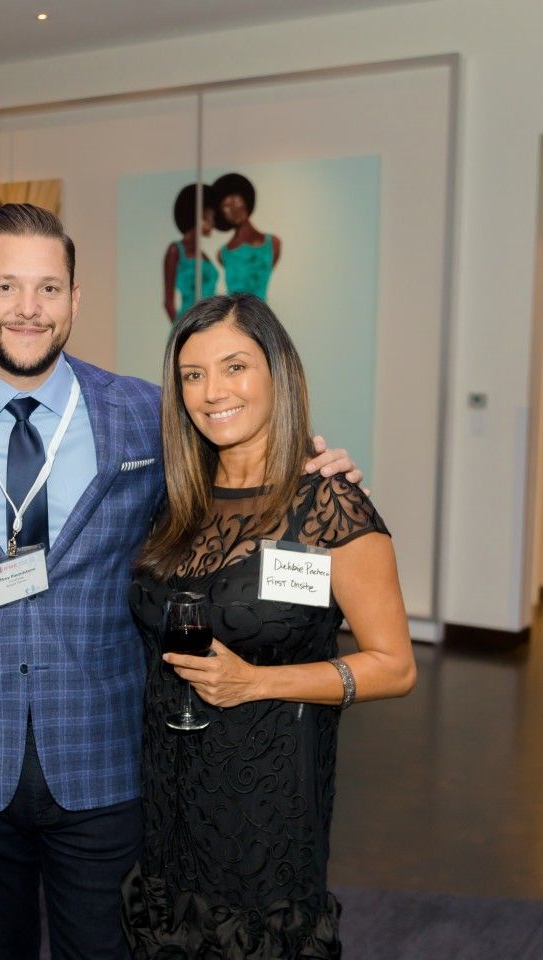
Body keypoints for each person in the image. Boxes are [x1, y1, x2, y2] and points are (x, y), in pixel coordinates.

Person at [0, 204, 360, 960]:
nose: (28, 309)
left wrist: (306, 468)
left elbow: (225, 491)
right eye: (5, 287)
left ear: (75, 300)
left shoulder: (143, 414)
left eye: (48, 288)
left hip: (105, 750)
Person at [122, 292, 416, 958]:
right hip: (170, 792)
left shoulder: (328, 504)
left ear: (276, 374)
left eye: (233, 367)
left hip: (267, 802)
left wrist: (254, 683)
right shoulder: (176, 505)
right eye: (192, 375)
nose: (211, 391)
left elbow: (395, 666)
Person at [212, 172, 281, 301]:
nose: (233, 209)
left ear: (245, 200)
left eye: (236, 200)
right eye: (226, 206)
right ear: (221, 213)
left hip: (261, 316)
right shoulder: (223, 254)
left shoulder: (273, 243)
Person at [163, 183, 220, 324]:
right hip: (188, 323)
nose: (212, 223)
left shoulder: (204, 255)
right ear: (198, 216)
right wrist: (181, 332)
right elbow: (168, 302)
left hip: (210, 325)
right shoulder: (176, 250)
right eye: (209, 217)